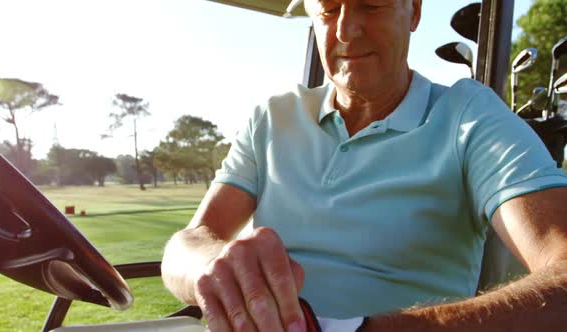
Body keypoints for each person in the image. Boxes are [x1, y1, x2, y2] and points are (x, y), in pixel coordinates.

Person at [161, 0, 567, 331]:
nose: (346, 30)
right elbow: (188, 243)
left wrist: (359, 330)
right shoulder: (272, 116)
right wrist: (215, 268)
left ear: (415, 11)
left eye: (370, 5)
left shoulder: (470, 115)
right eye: (329, 8)